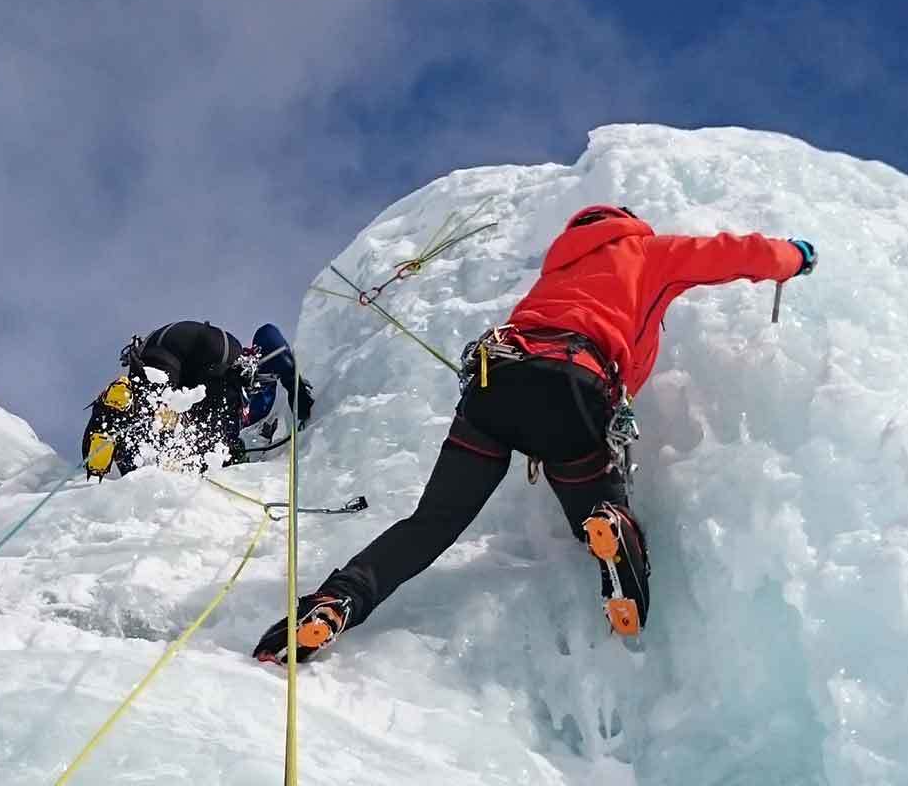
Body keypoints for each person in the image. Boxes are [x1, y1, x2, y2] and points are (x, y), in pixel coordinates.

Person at [256, 205, 816, 662]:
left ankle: (337, 599)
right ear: (627, 223)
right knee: (593, 503)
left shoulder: (557, 269)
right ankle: (608, 527)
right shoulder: (649, 251)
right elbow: (732, 254)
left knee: (432, 523)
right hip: (574, 386)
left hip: (496, 382)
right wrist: (793, 257)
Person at [83, 320, 317, 477]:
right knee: (202, 440)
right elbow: (269, 334)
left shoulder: (250, 402)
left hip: (162, 349)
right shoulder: (249, 399)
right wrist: (295, 388)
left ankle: (116, 423)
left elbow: (269, 337)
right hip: (211, 355)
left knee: (156, 418)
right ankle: (123, 434)